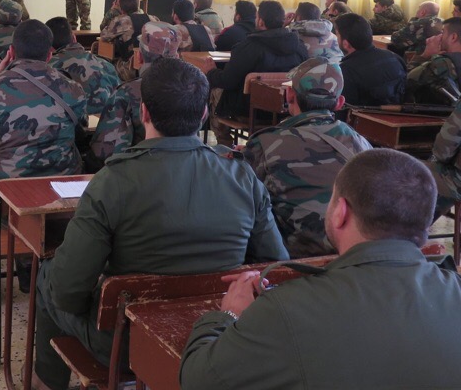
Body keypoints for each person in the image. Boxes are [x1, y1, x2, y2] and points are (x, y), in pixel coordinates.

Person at [34, 57, 287, 390]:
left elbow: (67, 294)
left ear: (144, 113)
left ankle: (45, 383)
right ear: (203, 115)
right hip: (221, 329)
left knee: (47, 275)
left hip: (126, 343)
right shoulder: (240, 175)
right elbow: (275, 266)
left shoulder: (113, 180)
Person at [180, 149, 461, 390]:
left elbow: (198, 379)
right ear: (426, 229)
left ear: (340, 212)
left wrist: (228, 314)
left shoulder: (288, 309)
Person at [0, 20, 87, 297]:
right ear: (50, 54)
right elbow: (81, 128)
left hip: (6, 190)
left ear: (11, 52)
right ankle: (30, 273)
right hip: (59, 189)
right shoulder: (73, 88)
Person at [242, 58, 372, 257]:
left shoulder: (264, 143)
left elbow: (246, 199)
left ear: (289, 94)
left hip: (291, 259)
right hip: (350, 255)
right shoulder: (360, 143)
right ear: (339, 103)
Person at [206, 1, 308, 145]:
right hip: (285, 111)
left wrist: (211, 71)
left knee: (216, 90)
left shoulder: (249, 47)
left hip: (246, 112)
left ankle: (225, 144)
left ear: (260, 21)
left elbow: (227, 81)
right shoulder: (300, 47)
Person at [88, 21, 181, 169]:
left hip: (141, 176)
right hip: (186, 172)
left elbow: (107, 151)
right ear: (176, 55)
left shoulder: (127, 93)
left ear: (139, 57)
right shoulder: (193, 87)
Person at [46, 16, 119, 116]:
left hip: (71, 128)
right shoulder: (106, 66)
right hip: (105, 127)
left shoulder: (48, 70)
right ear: (74, 38)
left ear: (49, 47)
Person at [334, 12, 406, 106]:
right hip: (399, 117)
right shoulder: (395, 57)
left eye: (337, 35)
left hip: (366, 119)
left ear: (346, 44)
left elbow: (346, 110)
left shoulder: (346, 71)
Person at [405, 16, 461, 104]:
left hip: (438, 116)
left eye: (443, 32)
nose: (439, 36)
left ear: (453, 37)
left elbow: (404, 82)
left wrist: (425, 55)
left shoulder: (441, 63)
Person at [99, 0, 151, 82]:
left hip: (130, 69)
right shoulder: (152, 18)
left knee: (105, 65)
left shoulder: (122, 20)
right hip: (151, 67)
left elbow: (104, 36)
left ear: (122, 10)